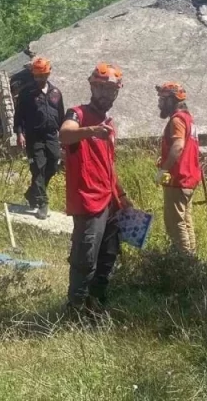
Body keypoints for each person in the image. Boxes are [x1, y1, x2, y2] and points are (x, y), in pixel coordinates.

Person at [59, 63, 136, 314]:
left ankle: (97, 306)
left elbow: (108, 165)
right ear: (92, 86)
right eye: (102, 89)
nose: (107, 95)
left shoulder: (109, 124)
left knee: (107, 258)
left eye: (112, 91)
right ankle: (75, 310)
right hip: (88, 200)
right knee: (85, 258)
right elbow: (65, 135)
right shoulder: (77, 114)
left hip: (110, 200)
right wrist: (92, 131)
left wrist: (122, 195)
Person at [13, 57, 64, 219]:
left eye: (44, 75)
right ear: (33, 75)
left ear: (48, 73)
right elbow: (18, 116)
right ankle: (42, 202)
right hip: (34, 137)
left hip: (51, 136)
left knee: (53, 165)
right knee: (38, 168)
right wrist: (20, 134)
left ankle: (31, 193)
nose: (41, 79)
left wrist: (64, 137)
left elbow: (61, 115)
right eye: (37, 76)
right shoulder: (26, 93)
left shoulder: (56, 93)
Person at [155, 82, 202, 256]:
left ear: (171, 100)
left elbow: (178, 146)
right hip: (188, 179)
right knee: (185, 222)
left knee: (175, 223)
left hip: (178, 179)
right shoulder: (188, 118)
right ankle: (191, 259)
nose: (159, 103)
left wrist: (163, 170)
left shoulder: (177, 119)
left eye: (162, 99)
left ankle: (183, 263)